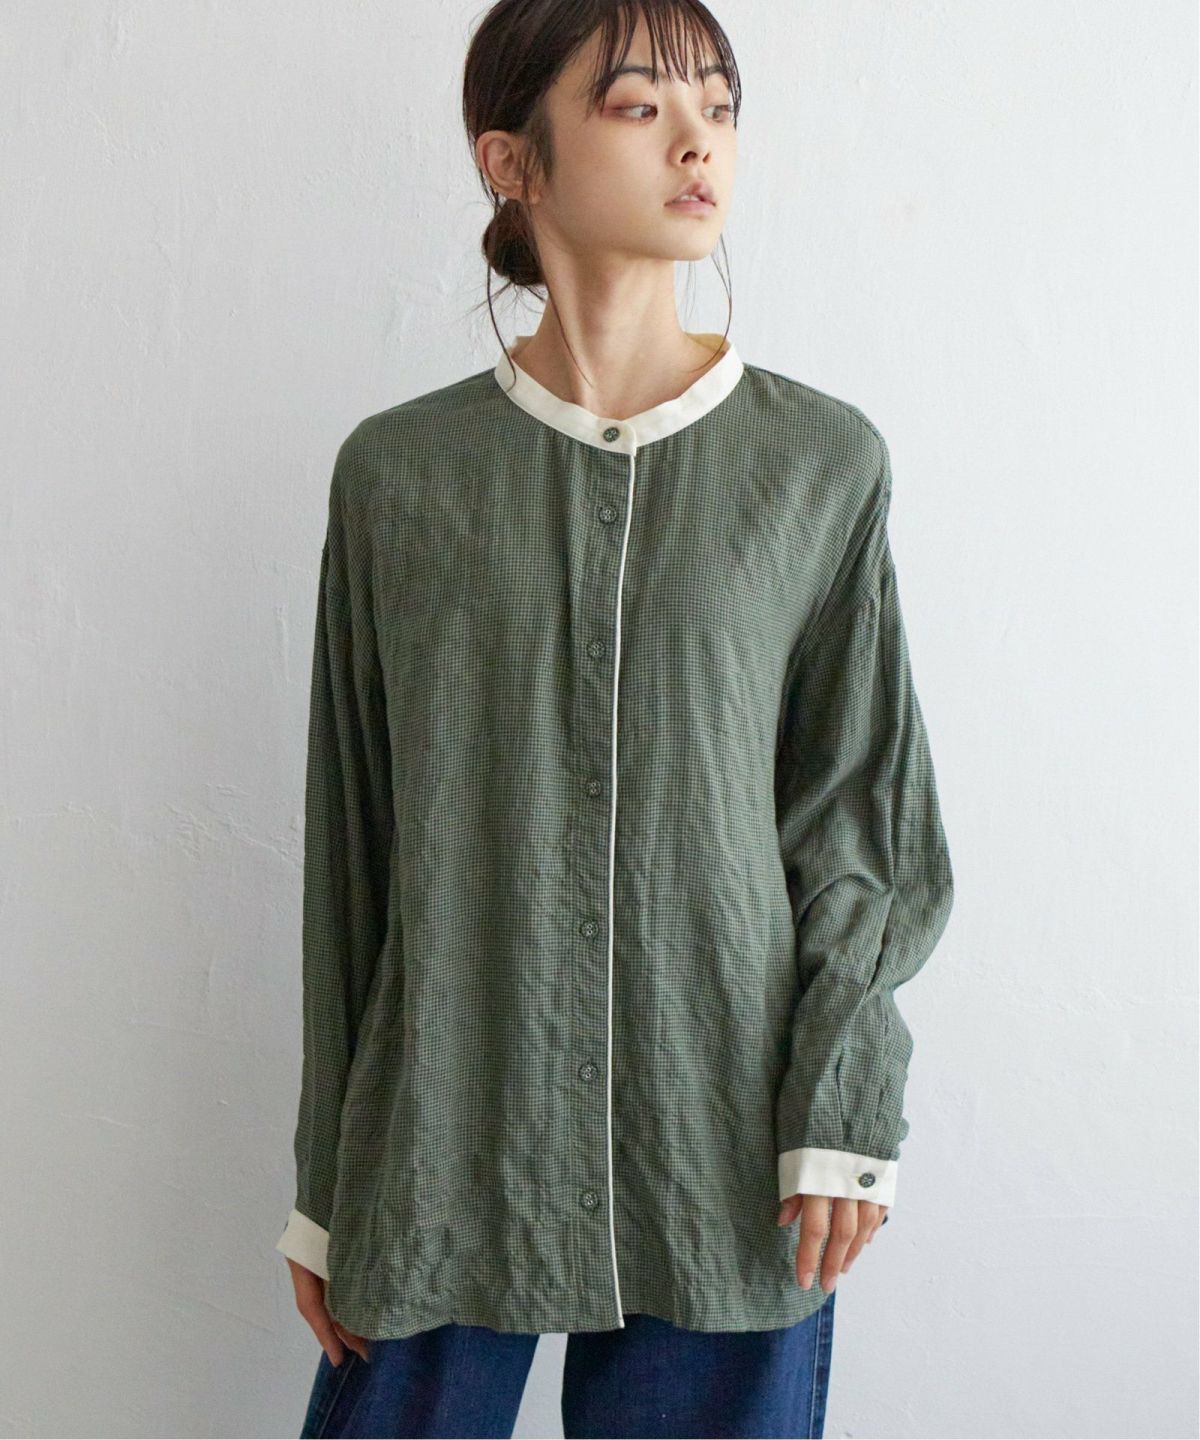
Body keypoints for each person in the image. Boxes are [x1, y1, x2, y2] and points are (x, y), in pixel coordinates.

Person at [276, 1, 954, 1436]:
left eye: (720, 105)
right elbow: (357, 850)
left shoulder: (818, 466)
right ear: (511, 160)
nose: (699, 140)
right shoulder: (401, 478)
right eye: (642, 106)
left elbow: (858, 819)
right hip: (442, 1135)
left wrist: (844, 1095)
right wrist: (327, 1186)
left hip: (728, 1141)